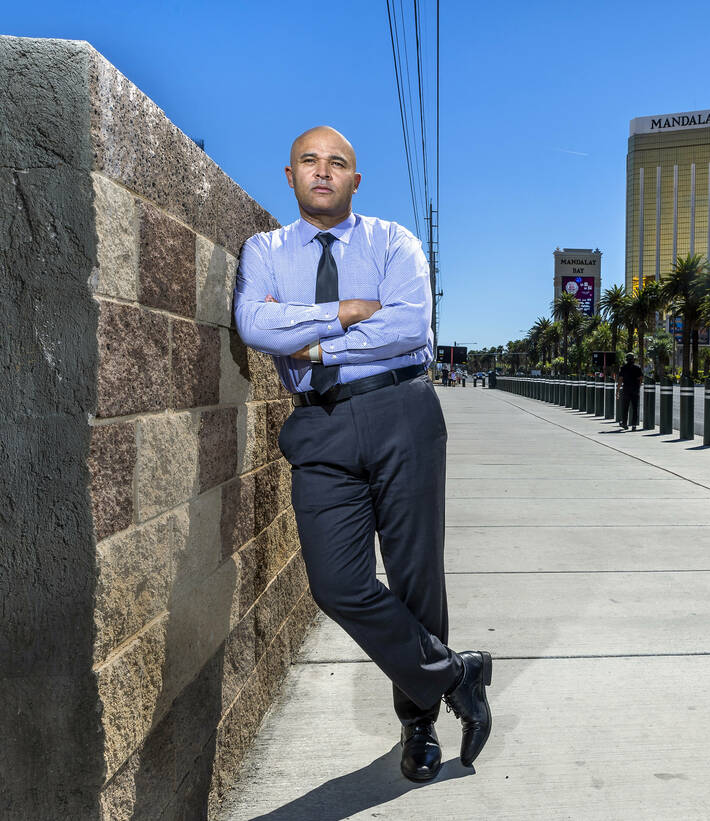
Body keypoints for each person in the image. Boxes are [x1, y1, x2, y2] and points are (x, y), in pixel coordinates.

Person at [233, 125, 492, 784]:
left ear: (355, 180)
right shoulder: (263, 250)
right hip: (317, 427)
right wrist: (346, 310)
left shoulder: (393, 241)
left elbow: (408, 324)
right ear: (289, 176)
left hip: (401, 410)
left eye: (338, 163)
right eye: (310, 161)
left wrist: (315, 340)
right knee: (338, 584)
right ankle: (456, 674)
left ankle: (419, 722)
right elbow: (254, 325)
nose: (324, 171)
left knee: (414, 577)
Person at [617, 353, 643, 429]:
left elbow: (620, 380)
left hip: (626, 390)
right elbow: (641, 378)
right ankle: (634, 425)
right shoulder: (637, 368)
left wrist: (617, 391)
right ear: (633, 359)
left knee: (625, 408)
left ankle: (624, 423)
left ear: (626, 359)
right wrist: (639, 385)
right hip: (635, 390)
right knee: (635, 408)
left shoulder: (623, 368)